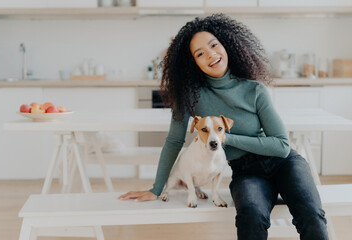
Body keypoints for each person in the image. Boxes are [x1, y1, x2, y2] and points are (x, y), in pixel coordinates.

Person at [118, 14, 329, 240]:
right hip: (245, 171)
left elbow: (282, 146)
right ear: (193, 63)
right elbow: (174, 140)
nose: (210, 54)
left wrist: (227, 138)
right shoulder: (189, 96)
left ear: (226, 45)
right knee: (250, 215)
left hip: (284, 165)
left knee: (310, 214)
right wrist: (156, 188)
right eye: (200, 53)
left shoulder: (254, 90)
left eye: (213, 45)